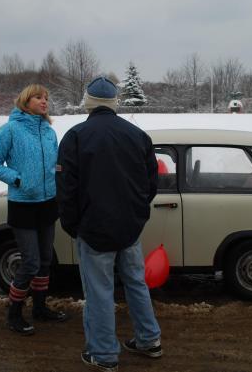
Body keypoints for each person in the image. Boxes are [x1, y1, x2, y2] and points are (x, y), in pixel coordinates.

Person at [57, 76, 161, 372]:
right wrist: (137, 215)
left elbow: (66, 188)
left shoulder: (76, 136)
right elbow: (151, 183)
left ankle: (103, 354)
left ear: (88, 103)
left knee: (99, 291)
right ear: (115, 103)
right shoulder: (137, 135)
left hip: (93, 230)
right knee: (136, 282)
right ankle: (149, 339)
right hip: (129, 228)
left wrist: (73, 225)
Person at [0, 84, 68, 335]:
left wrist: (60, 178)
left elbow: (55, 165)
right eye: (38, 97)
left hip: (48, 203)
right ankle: (14, 313)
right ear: (25, 100)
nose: (44, 101)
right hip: (23, 205)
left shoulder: (49, 132)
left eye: (46, 98)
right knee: (30, 262)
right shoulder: (10, 130)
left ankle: (40, 308)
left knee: (45, 261)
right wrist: (18, 179)